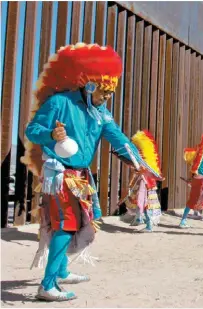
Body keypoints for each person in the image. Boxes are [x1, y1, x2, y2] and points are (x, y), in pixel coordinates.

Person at [22, 43, 161, 301]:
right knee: (67, 223)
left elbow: (119, 139)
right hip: (60, 174)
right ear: (90, 85)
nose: (107, 99)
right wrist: (51, 134)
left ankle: (61, 270)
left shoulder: (101, 113)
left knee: (77, 223)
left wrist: (141, 163)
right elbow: (32, 131)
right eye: (104, 93)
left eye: (110, 94)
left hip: (81, 176)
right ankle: (47, 285)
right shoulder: (59, 102)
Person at [116, 130, 163, 232]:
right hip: (145, 183)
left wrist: (120, 157)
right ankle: (139, 219)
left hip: (145, 184)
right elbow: (133, 164)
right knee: (140, 202)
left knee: (144, 203)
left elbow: (134, 164)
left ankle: (148, 225)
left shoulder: (145, 166)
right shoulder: (147, 165)